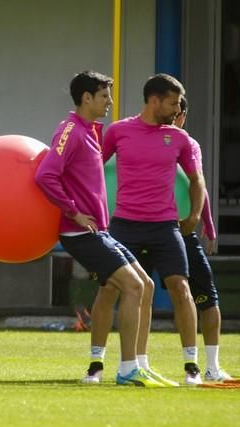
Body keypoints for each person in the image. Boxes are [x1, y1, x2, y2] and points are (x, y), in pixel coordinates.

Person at [36, 70, 162, 387]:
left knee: (144, 285)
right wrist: (74, 213)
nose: (110, 101)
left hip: (99, 231)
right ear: (87, 98)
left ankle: (133, 365)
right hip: (81, 233)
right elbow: (45, 176)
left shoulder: (90, 131)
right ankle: (127, 368)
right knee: (133, 287)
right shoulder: (70, 130)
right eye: (104, 95)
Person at [93, 74, 207, 386]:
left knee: (181, 289)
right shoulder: (118, 131)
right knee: (107, 289)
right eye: (172, 103)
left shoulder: (179, 139)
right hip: (124, 224)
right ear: (154, 100)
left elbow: (197, 180)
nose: (177, 109)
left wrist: (195, 216)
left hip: (164, 225)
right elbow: (92, 167)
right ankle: (95, 363)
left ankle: (191, 367)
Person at [141, 96, 232, 381]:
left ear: (183, 117)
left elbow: (198, 184)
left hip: (182, 232)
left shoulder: (188, 144)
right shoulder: (142, 138)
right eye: (170, 111)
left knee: (206, 297)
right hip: (144, 227)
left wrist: (207, 224)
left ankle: (212, 366)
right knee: (136, 294)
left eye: (178, 114)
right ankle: (134, 363)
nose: (173, 118)